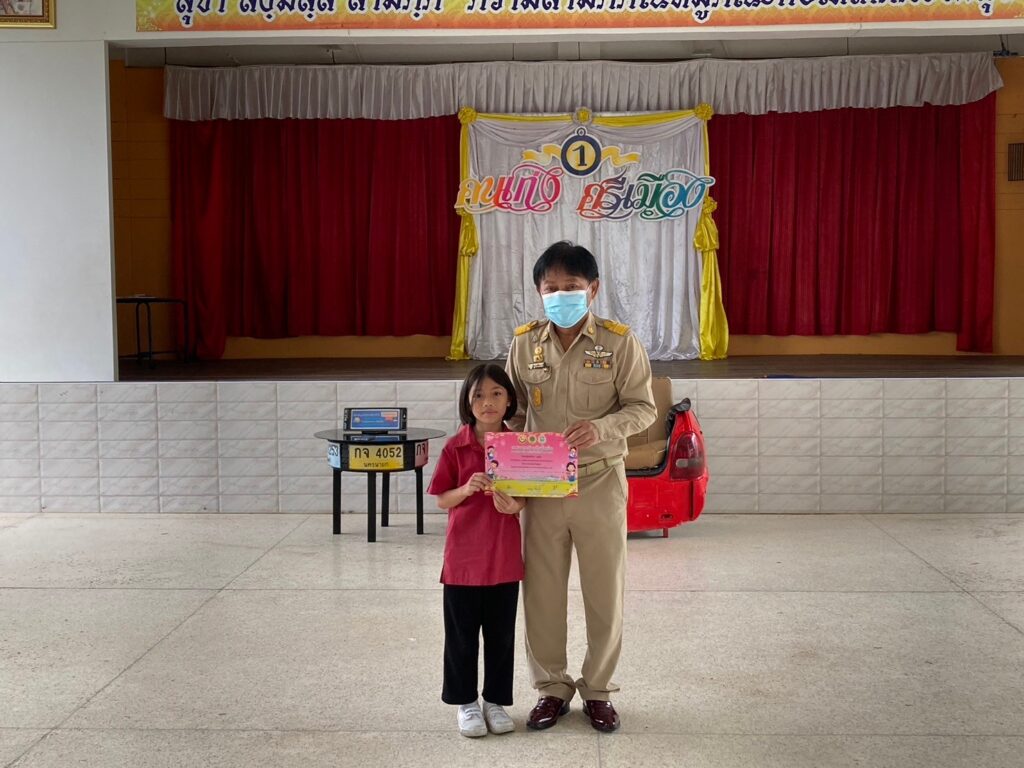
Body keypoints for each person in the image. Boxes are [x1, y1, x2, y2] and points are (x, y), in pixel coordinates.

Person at [505, 241, 656, 733]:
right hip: (542, 487)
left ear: (592, 290)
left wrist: (602, 428)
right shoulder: (524, 344)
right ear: (538, 291)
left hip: (600, 481)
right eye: (551, 288)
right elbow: (512, 413)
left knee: (604, 593)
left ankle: (598, 690)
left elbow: (643, 408)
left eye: (571, 287)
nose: (560, 295)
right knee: (542, 594)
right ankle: (551, 688)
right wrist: (508, 468)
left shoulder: (618, 343)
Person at [427, 364, 526, 738]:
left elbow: (529, 496)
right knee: (461, 637)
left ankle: (495, 702)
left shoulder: (520, 446)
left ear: (509, 400)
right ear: (467, 403)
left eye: (497, 394)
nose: (488, 403)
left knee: (501, 637)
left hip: (503, 559)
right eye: (479, 395)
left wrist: (515, 505)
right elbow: (442, 499)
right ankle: (466, 703)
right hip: (463, 562)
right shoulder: (456, 447)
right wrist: (466, 489)